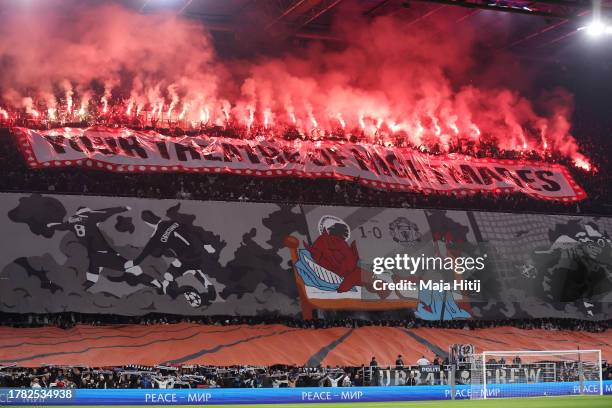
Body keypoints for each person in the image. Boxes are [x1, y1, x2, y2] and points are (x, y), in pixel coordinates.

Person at [125, 208, 216, 298]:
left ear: (147, 223)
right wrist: (206, 244)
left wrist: (134, 262)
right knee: (189, 266)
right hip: (198, 253)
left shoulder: (157, 235)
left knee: (168, 277)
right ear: (156, 216)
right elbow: (193, 230)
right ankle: (208, 286)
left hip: (185, 259)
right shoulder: (174, 222)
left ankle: (181, 292)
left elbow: (146, 251)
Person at [46, 206, 131, 289]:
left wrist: (51, 225)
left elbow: (62, 226)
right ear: (87, 210)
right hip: (101, 251)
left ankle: (83, 288)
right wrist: (123, 208)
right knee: (128, 266)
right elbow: (107, 211)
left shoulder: (72, 220)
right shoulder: (91, 215)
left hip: (93, 252)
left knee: (93, 275)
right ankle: (137, 274)